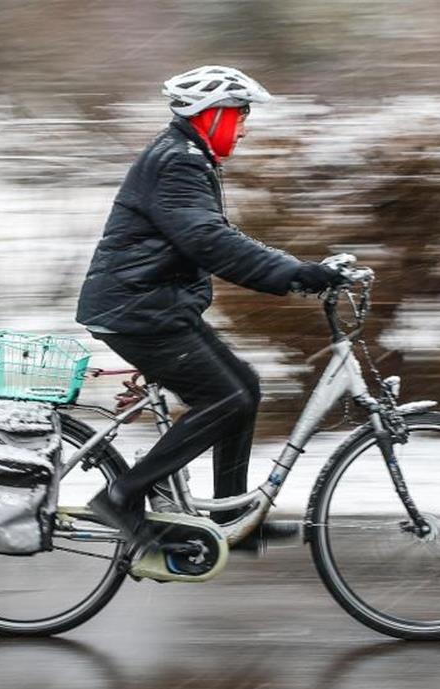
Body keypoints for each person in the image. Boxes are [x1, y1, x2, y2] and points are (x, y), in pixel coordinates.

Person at [75, 65, 345, 545]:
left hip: (156, 305)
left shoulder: (188, 157)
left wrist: (295, 267)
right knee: (225, 398)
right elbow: (209, 241)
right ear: (210, 114)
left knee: (245, 385)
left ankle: (229, 521)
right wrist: (293, 273)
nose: (245, 125)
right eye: (239, 113)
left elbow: (215, 236)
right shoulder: (178, 161)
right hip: (137, 310)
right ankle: (121, 496)